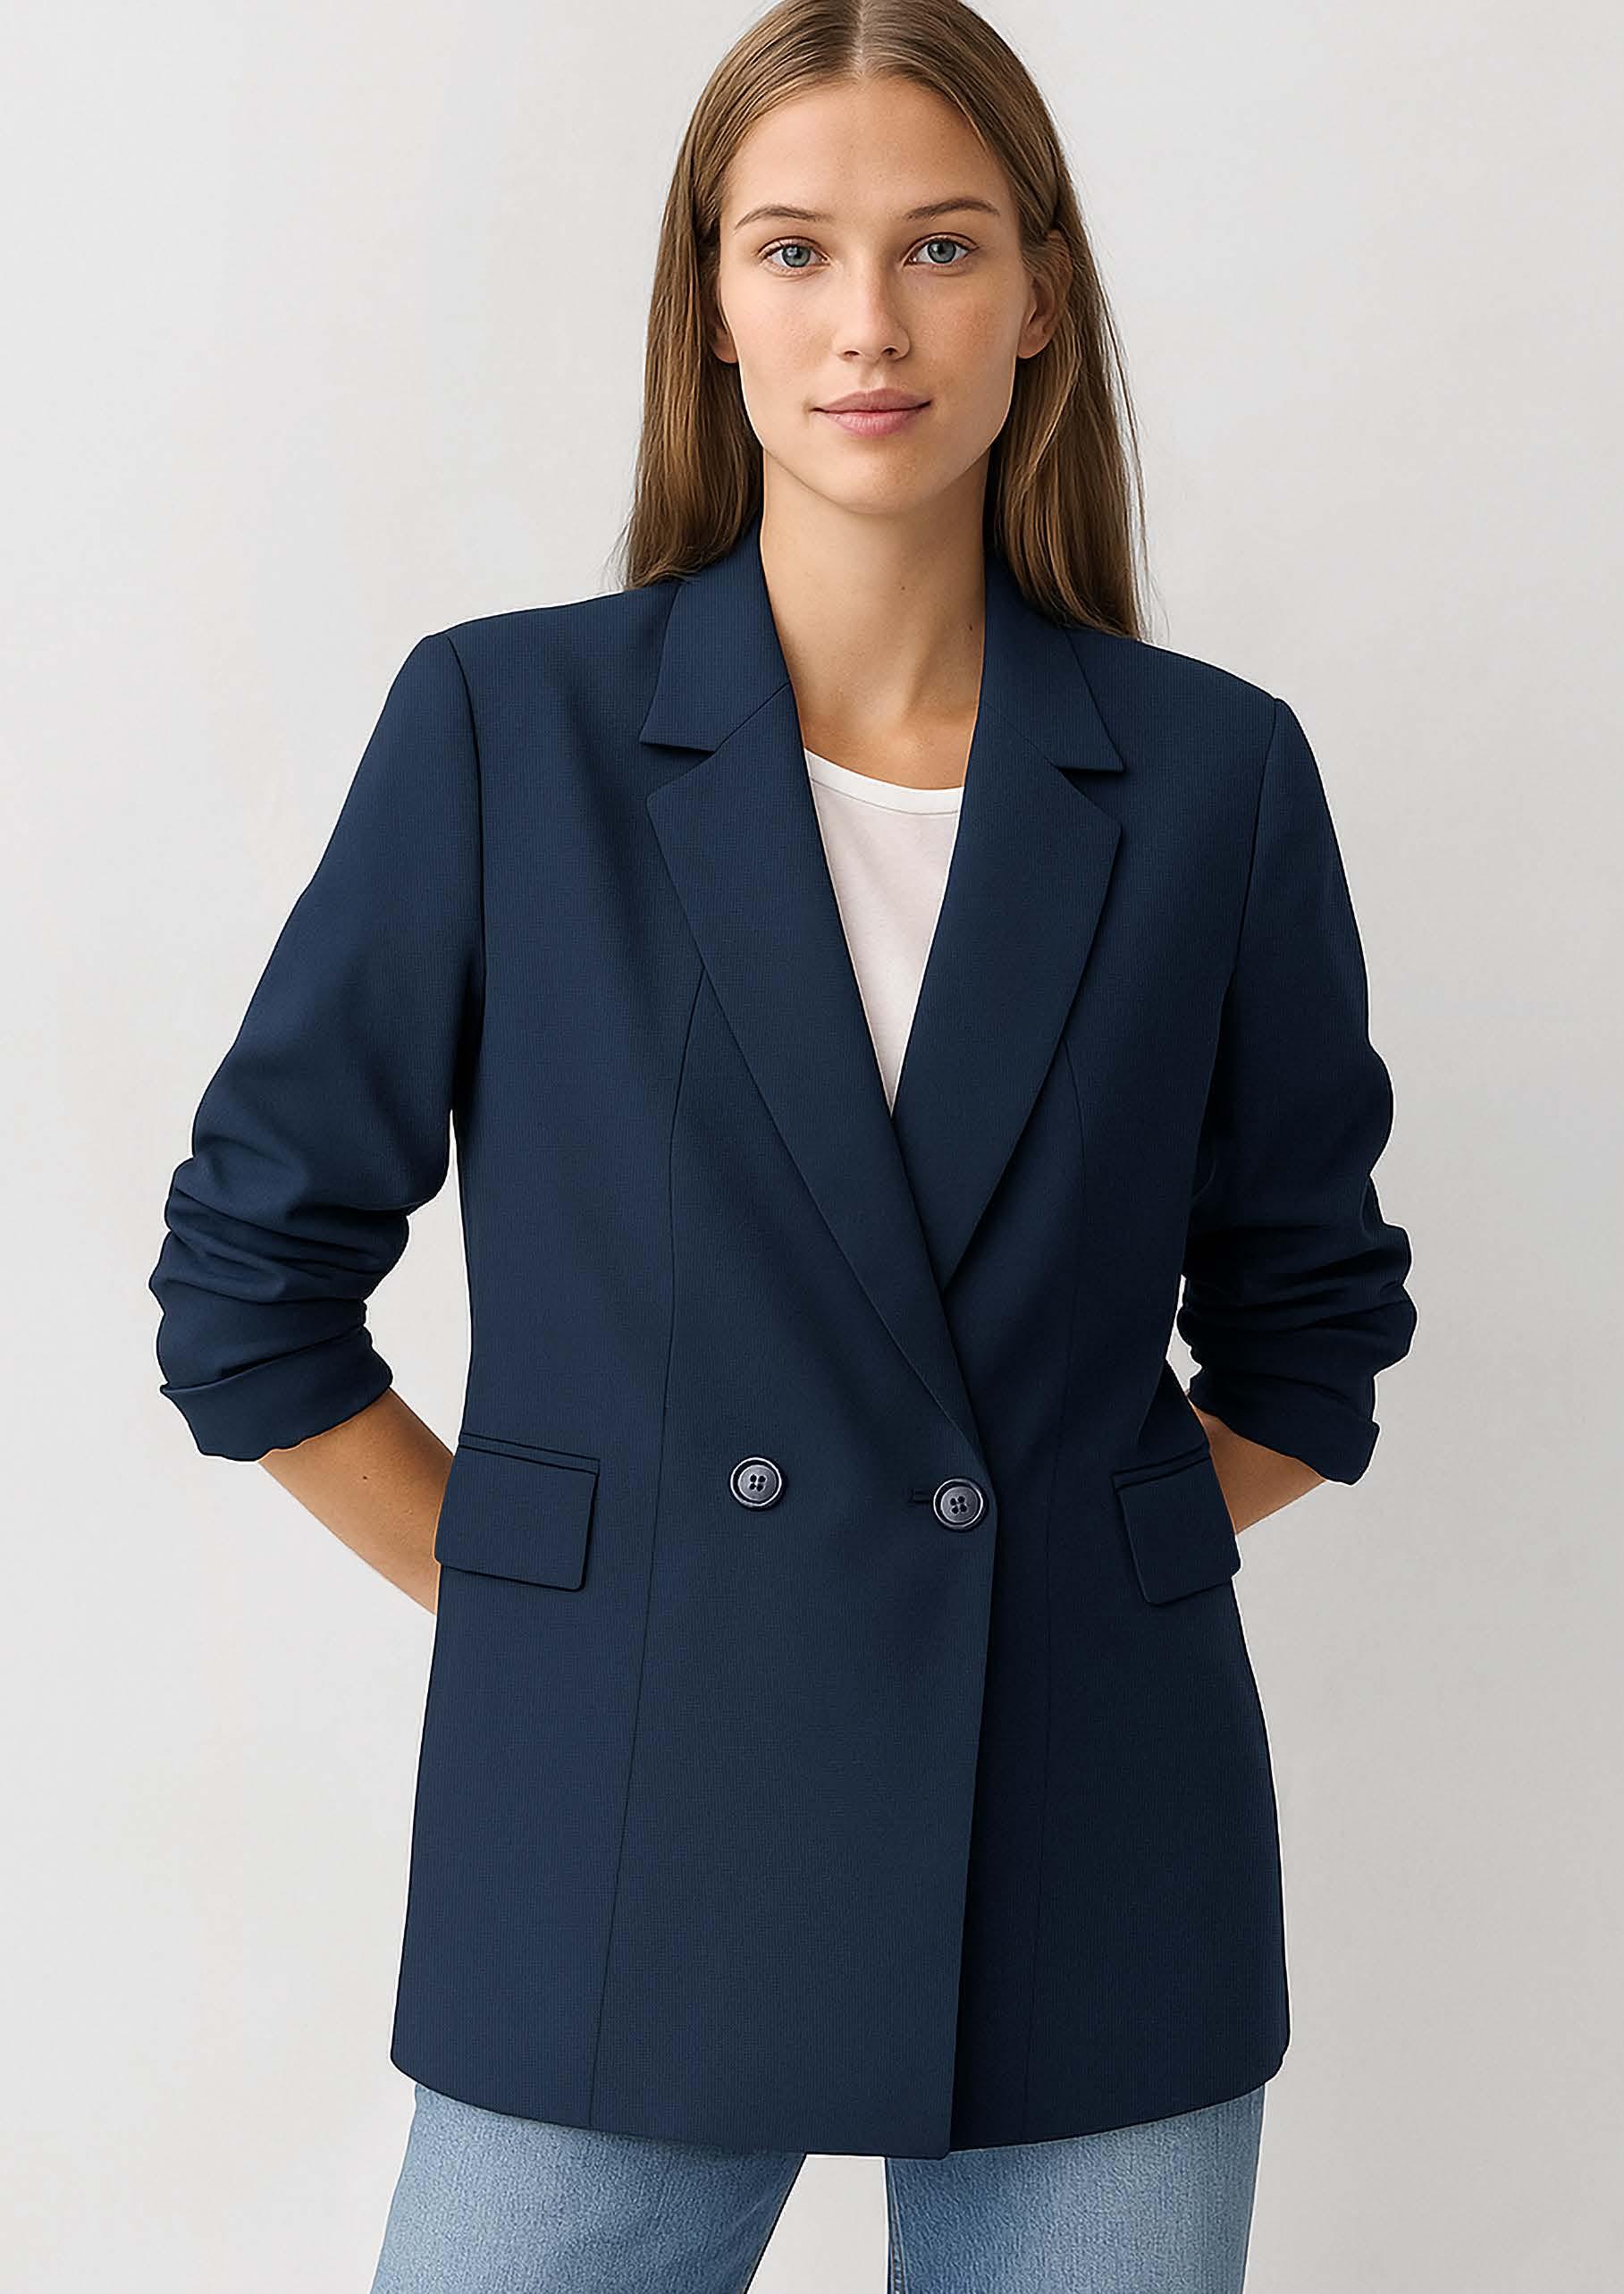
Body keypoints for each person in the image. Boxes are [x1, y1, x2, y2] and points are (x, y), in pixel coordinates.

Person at [147, 3, 1418, 2286]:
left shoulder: (1214, 775)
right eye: (794, 248)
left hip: (1093, 1826)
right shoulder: (507, 726)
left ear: (1040, 295)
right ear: (712, 302)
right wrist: (594, 1618)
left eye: (940, 245)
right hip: (622, 1814)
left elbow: (1311, 1329)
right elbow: (251, 1288)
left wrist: (1042, 1587)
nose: (868, 324)